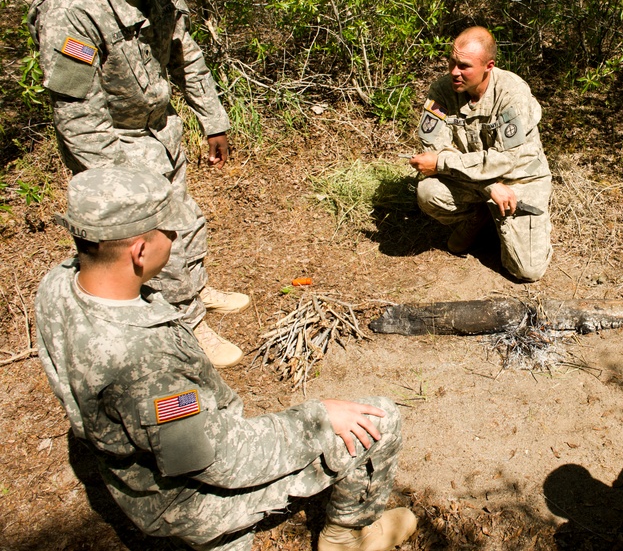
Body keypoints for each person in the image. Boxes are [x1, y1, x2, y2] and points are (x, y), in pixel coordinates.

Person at [35, 166, 418, 551]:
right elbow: (214, 460)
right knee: (379, 420)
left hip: (133, 476)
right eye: (167, 231)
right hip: (188, 500)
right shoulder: (146, 360)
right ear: (139, 250)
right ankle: (346, 537)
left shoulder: (59, 285)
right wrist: (317, 418)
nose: (175, 237)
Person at [27, 0, 247, 367]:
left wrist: (213, 119)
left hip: (161, 131)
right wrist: (123, 187)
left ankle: (194, 290)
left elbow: (185, 53)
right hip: (116, 143)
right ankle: (186, 325)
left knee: (183, 221)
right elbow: (77, 114)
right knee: (146, 239)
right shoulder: (72, 9)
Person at [409, 26, 552, 282]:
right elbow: (433, 147)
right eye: (452, 62)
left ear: (489, 66)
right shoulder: (441, 90)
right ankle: (480, 216)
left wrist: (444, 162)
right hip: (473, 179)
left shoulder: (512, 93)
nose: (454, 72)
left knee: (528, 271)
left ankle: (503, 221)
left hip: (520, 180)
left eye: (464, 66)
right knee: (428, 192)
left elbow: (506, 160)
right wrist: (489, 187)